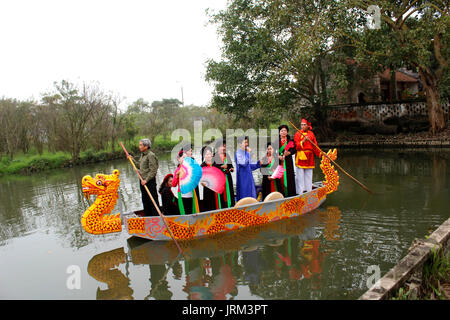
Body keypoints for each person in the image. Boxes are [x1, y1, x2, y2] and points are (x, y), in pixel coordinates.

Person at [130, 138, 159, 216]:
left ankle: (156, 217)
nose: (139, 146)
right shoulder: (142, 155)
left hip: (149, 182)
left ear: (146, 146)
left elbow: (153, 170)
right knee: (145, 200)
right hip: (142, 181)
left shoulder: (151, 155)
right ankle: (148, 217)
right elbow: (139, 166)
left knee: (152, 200)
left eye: (141, 145)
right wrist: (132, 160)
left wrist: (146, 180)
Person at [293, 119, 322, 194]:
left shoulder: (311, 134)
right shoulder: (297, 134)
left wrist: (321, 153)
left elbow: (315, 146)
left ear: (307, 126)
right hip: (300, 156)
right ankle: (300, 193)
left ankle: (309, 192)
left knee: (309, 176)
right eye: (301, 124)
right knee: (300, 177)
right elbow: (296, 146)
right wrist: (303, 141)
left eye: (304, 125)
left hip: (309, 157)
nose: (302, 126)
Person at [172, 144, 200, 215]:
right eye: (183, 157)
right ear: (179, 159)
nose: (184, 159)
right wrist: (177, 176)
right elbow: (173, 184)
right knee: (185, 213)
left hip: (192, 194)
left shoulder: (191, 168)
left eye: (186, 158)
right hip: (182, 196)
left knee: (193, 212)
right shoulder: (177, 170)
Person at [235, 136, 261, 201]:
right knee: (244, 196)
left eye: (247, 142)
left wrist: (258, 163)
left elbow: (251, 166)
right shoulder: (238, 153)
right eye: (245, 142)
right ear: (240, 144)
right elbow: (243, 163)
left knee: (251, 195)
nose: (247, 144)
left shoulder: (247, 153)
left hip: (249, 178)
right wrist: (249, 153)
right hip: (243, 179)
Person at [212, 139, 235, 208]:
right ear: (218, 147)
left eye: (225, 146)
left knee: (229, 193)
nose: (224, 148)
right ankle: (221, 207)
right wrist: (221, 167)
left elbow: (231, 166)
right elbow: (213, 168)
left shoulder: (227, 155)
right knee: (221, 195)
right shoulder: (214, 156)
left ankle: (230, 206)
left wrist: (231, 168)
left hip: (227, 178)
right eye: (222, 146)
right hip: (219, 179)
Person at [278, 124, 297, 197]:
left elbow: (294, 149)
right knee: (280, 178)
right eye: (282, 131)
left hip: (288, 162)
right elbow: (273, 151)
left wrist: (289, 152)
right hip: (279, 162)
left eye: (285, 130)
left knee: (289, 178)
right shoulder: (276, 141)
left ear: (287, 132)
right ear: (279, 132)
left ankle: (290, 195)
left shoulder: (290, 141)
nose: (283, 132)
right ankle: (280, 195)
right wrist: (279, 156)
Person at [201, 146, 220, 212]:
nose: (208, 156)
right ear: (203, 155)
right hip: (208, 189)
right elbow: (201, 179)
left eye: (209, 154)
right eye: (206, 154)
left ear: (212, 154)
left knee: (218, 204)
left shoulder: (215, 164)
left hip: (216, 188)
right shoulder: (202, 166)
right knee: (209, 205)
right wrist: (202, 182)